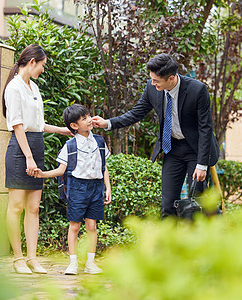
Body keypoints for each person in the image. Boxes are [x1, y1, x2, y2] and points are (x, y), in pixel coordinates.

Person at [92, 53, 219, 218]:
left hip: (196, 150)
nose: (153, 83)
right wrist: (108, 123)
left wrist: (202, 164)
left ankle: (198, 241)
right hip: (172, 149)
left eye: (156, 80)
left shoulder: (197, 90)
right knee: (167, 205)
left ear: (171, 78)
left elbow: (205, 128)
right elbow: (137, 112)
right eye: (152, 79)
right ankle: (169, 242)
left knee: (197, 204)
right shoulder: (153, 88)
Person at [3, 44, 71, 274]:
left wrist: (62, 130)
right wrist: (28, 158)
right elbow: (17, 125)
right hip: (20, 150)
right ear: (32, 62)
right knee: (16, 207)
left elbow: (38, 125)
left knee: (33, 208)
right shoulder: (14, 88)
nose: (42, 70)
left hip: (36, 146)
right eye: (42, 65)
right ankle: (18, 258)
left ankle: (32, 257)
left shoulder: (34, 87)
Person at [34, 104, 112, 275]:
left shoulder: (99, 141)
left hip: (96, 187)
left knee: (91, 225)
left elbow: (104, 167)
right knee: (74, 226)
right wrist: (42, 174)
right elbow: (61, 170)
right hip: (77, 188)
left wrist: (108, 187)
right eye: (84, 118)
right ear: (74, 126)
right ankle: (73, 263)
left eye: (88, 116)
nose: (90, 119)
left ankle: (91, 263)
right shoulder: (70, 145)